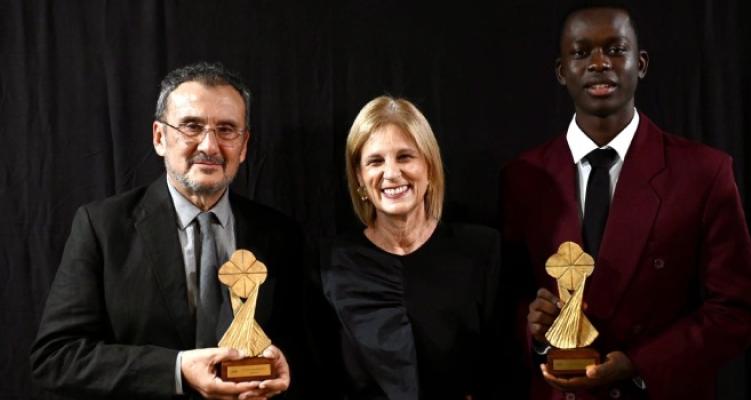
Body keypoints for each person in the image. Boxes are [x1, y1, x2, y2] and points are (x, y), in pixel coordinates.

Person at [500, 5, 751, 400]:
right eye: (581, 53)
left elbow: (738, 310)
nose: (599, 63)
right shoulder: (523, 176)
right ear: (561, 71)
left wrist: (641, 364)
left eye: (615, 49)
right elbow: (503, 298)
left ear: (640, 64)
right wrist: (534, 331)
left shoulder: (704, 173)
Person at [31, 62, 301, 399]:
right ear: (160, 137)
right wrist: (176, 370)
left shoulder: (280, 234)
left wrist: (287, 366)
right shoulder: (103, 227)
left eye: (227, 129)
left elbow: (307, 346)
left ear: (244, 146)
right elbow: (56, 357)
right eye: (191, 126)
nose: (210, 146)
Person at [308, 96, 500, 399]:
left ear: (430, 166)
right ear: (359, 177)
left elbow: (502, 365)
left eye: (405, 157)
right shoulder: (329, 262)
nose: (391, 173)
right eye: (375, 161)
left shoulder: (481, 251)